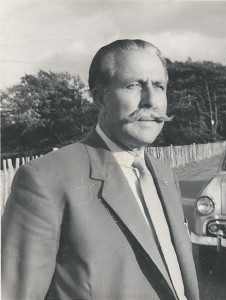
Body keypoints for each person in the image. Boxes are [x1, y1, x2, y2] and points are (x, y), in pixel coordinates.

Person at [2, 39, 199, 300]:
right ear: (98, 97)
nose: (151, 100)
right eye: (134, 85)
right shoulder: (46, 178)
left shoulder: (165, 175)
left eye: (159, 86)